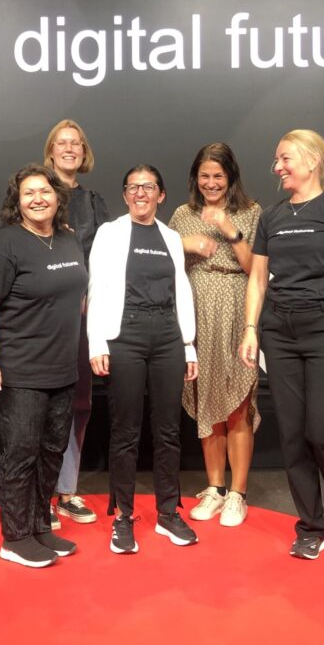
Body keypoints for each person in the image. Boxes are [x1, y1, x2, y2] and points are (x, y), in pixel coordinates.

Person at [239, 129, 324, 560]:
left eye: (284, 159)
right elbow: (258, 278)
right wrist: (250, 329)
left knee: (323, 432)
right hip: (280, 332)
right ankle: (312, 525)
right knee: (294, 436)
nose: (277, 167)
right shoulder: (272, 217)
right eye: (277, 161)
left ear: (312, 161)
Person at [0, 164, 87, 568]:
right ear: (16, 202)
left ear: (58, 196)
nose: (38, 198)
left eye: (44, 191)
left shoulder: (69, 241)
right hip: (21, 371)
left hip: (63, 369)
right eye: (28, 193)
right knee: (20, 454)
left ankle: (40, 525)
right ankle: (15, 536)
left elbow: (78, 298)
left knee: (52, 452)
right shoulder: (7, 244)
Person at [88, 165, 198, 554]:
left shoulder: (170, 236)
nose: (140, 193)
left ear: (160, 195)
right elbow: (96, 286)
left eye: (148, 187)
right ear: (124, 194)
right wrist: (96, 342)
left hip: (168, 335)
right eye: (133, 187)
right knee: (125, 431)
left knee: (168, 430)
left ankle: (169, 513)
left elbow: (181, 289)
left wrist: (188, 345)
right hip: (125, 336)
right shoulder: (110, 233)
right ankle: (123, 517)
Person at [169, 143, 261, 527]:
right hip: (196, 311)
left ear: (230, 177)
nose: (211, 183)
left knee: (237, 398)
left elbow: (255, 267)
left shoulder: (250, 212)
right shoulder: (181, 214)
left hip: (237, 306)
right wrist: (182, 243)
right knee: (207, 398)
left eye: (218, 176)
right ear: (195, 178)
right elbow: (167, 261)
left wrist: (229, 230)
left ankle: (238, 493)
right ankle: (215, 488)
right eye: (204, 176)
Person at [43, 119, 110, 527]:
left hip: (84, 317)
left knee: (79, 403)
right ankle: (41, 492)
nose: (70, 149)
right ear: (50, 150)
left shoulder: (95, 202)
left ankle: (66, 491)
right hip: (43, 316)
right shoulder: (34, 192)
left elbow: (104, 258)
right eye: (62, 143)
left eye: (76, 143)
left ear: (83, 153)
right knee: (42, 402)